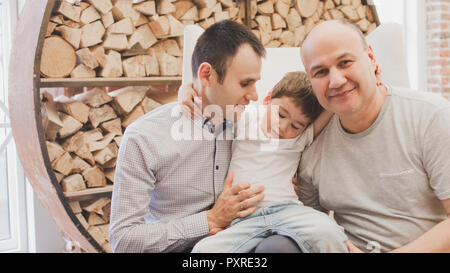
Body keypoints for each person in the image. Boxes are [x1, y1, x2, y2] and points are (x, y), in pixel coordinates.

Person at [109, 20, 267, 252]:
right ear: (207, 75)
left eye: (255, 83)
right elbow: (123, 240)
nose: (254, 95)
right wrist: (209, 220)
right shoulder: (144, 137)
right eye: (245, 84)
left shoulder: (247, 124)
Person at [298, 19, 450, 253]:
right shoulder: (311, 147)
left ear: (370, 58)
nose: (336, 81)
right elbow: (308, 229)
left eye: (345, 62)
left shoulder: (431, 117)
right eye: (320, 72)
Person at [189, 71, 348, 253]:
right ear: (267, 99)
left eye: (295, 126)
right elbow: (214, 102)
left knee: (331, 232)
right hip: (243, 218)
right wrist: (187, 89)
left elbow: (331, 107)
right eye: (280, 115)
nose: (283, 127)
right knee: (202, 251)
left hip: (286, 211)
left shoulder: (300, 138)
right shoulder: (246, 118)